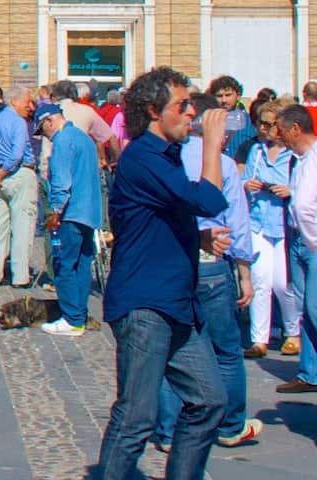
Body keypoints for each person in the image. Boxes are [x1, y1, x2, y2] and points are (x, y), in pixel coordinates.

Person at [96, 66, 230, 480]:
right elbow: (207, 199)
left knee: (209, 400)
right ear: (154, 111)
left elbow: (161, 215)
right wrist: (211, 145)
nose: (191, 112)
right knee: (136, 417)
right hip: (145, 304)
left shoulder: (164, 157)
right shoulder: (142, 156)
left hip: (175, 304)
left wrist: (197, 239)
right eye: (182, 105)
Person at [152, 93, 266, 452]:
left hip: (173, 262)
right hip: (212, 264)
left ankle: (169, 431)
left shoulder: (165, 158)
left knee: (174, 345)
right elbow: (238, 222)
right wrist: (246, 272)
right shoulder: (224, 163)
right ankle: (231, 424)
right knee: (226, 350)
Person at [243, 99, 301, 358]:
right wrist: (249, 185)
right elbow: (244, 180)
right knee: (260, 280)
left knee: (282, 283)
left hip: (284, 222)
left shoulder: (294, 156)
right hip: (259, 221)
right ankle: (259, 339)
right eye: (261, 123)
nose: (264, 129)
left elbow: (303, 187)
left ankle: (293, 332)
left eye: (269, 124)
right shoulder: (256, 151)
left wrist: (289, 191)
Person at [40, 103, 102, 336]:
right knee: (82, 266)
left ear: (49, 121)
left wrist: (55, 212)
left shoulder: (63, 141)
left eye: (43, 129)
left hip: (70, 214)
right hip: (89, 214)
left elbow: (62, 183)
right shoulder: (84, 138)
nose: (45, 135)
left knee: (64, 265)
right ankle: (80, 315)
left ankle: (71, 319)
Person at [0, 89, 39, 288]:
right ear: (15, 102)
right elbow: (17, 154)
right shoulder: (18, 122)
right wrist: (1, 174)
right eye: (27, 102)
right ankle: (20, 277)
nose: (30, 107)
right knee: (22, 226)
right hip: (18, 175)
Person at [279, 103, 317, 394]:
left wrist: (312, 241)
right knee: (306, 309)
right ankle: (309, 372)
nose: (278, 136)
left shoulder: (313, 159)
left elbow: (304, 206)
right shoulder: (299, 158)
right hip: (300, 239)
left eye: (281, 130)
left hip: (311, 241)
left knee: (314, 309)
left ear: (296, 128)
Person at [209, 76, 255, 160]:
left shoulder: (250, 122)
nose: (224, 100)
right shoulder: (209, 121)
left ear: (238, 96)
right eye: (219, 96)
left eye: (228, 95)